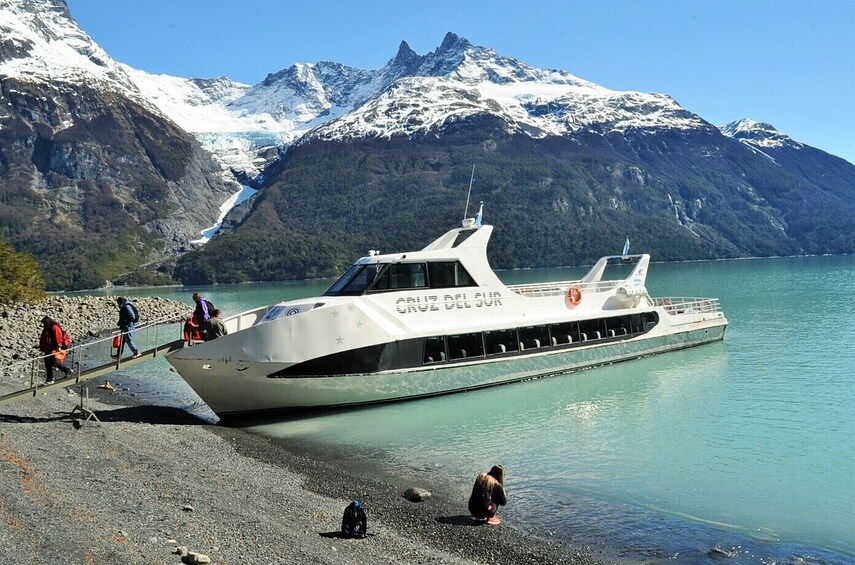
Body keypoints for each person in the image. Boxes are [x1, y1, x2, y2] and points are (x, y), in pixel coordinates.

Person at [38, 316, 72, 383]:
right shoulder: (48, 328)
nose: (43, 325)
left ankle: (67, 371)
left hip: (53, 348)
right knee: (48, 362)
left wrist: (59, 346)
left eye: (44, 323)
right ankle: (49, 379)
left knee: (53, 362)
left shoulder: (55, 327)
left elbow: (58, 337)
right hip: (49, 348)